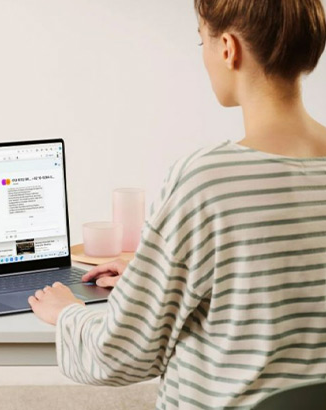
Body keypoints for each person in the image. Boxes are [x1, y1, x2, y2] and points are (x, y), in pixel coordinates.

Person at [29, 0, 326, 408]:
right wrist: (156, 271)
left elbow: (119, 355)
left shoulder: (206, 178)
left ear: (227, 48)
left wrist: (68, 313)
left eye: (200, 40)